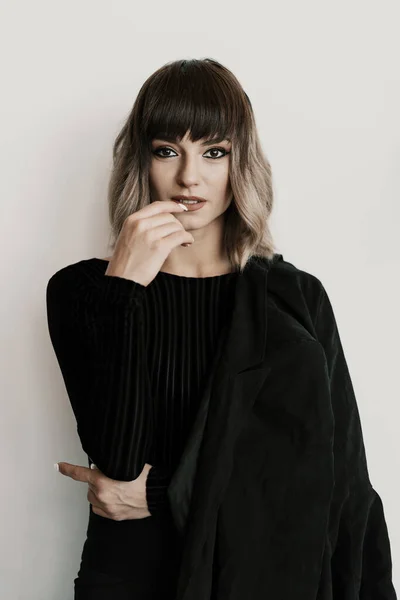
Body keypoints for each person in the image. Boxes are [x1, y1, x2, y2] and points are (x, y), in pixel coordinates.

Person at [46, 58, 397, 599]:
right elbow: (116, 464)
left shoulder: (295, 299)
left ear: (241, 161)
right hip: (128, 578)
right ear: (142, 161)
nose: (191, 177)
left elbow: (336, 481)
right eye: (168, 151)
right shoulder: (84, 291)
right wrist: (126, 290)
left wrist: (160, 494)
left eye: (215, 152)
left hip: (256, 580)